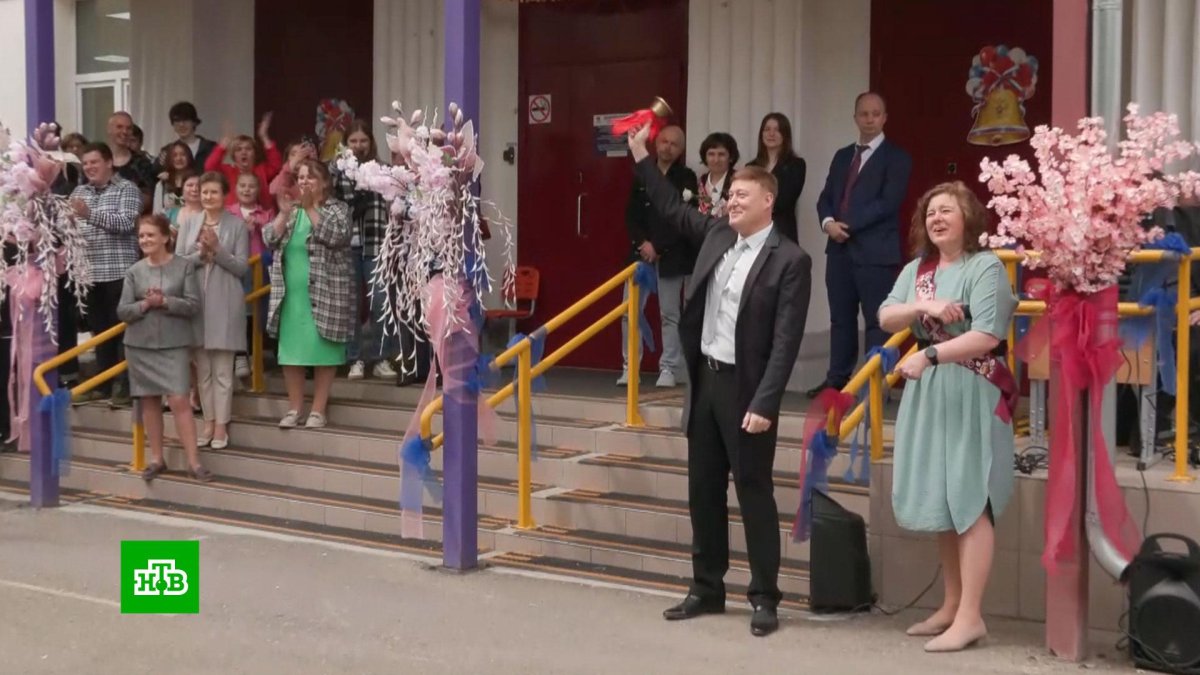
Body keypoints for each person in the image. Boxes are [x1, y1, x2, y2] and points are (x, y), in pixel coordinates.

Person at [627, 123, 812, 637]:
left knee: (753, 491)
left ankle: (765, 596)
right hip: (705, 382)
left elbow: (785, 342)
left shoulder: (791, 261)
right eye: (730, 196)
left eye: (742, 196)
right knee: (703, 491)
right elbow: (670, 207)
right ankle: (706, 587)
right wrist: (641, 155)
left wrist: (766, 402)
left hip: (747, 389)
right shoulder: (716, 236)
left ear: (768, 201)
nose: (732, 202)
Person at [879, 182, 1018, 653]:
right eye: (930, 212)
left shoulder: (985, 267)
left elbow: (986, 336)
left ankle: (971, 616)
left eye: (946, 211)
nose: (936, 219)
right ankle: (952, 605)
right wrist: (924, 305)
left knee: (970, 498)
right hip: (931, 390)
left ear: (968, 219)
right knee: (943, 498)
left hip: (972, 389)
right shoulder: (918, 271)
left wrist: (930, 354)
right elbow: (886, 316)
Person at [810, 92, 913, 396]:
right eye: (864, 114)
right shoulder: (843, 156)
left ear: (884, 118)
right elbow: (826, 197)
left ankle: (874, 384)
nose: (869, 119)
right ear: (855, 117)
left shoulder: (897, 158)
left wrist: (847, 225)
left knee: (877, 320)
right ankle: (837, 380)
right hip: (839, 250)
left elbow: (888, 203)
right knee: (840, 319)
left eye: (875, 114)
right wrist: (828, 223)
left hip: (876, 252)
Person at [117, 214, 210, 482]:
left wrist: (166, 302)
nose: (145, 240)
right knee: (149, 400)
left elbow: (193, 305)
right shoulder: (134, 271)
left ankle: (194, 462)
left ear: (165, 238)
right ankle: (157, 459)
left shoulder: (183, 267)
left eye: (150, 235)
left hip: (174, 343)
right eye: (141, 236)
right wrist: (145, 304)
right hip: (140, 345)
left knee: (179, 399)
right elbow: (123, 311)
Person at [263, 159, 352, 429]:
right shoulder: (292, 210)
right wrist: (282, 214)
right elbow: (269, 238)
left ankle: (318, 410)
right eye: (300, 177)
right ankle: (295, 408)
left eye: (310, 177)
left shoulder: (337, 209)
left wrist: (311, 207)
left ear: (324, 182)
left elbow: (335, 235)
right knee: (291, 354)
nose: (304, 182)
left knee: (324, 350)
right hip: (291, 296)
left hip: (327, 292)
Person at [618, 124, 698, 388]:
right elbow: (631, 214)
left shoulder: (686, 177)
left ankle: (669, 368)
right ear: (656, 143)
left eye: (674, 144)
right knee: (630, 313)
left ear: (681, 149)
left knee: (670, 314)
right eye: (664, 141)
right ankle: (630, 367)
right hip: (640, 254)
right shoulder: (643, 172)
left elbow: (682, 218)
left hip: (672, 254)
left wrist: (658, 246)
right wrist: (643, 243)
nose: (667, 147)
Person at [176, 172, 249, 449]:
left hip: (226, 303)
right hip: (196, 304)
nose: (208, 196)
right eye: (204, 191)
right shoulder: (189, 223)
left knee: (222, 372)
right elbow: (178, 263)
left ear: (224, 195)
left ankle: (221, 426)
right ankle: (207, 422)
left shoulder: (237, 225)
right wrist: (201, 255)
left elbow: (241, 267)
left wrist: (217, 250)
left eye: (214, 192)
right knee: (203, 371)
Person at [69, 142, 142, 406]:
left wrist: (89, 214)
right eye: (85, 163)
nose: (89, 167)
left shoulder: (127, 188)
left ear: (109, 162)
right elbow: (69, 228)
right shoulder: (79, 191)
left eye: (94, 162)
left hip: (120, 272)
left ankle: (124, 386)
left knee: (122, 331)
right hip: (89, 274)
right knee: (99, 331)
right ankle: (103, 383)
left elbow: (126, 223)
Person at [332, 120, 400, 380]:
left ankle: (381, 356)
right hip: (348, 245)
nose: (358, 146)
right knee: (352, 304)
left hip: (376, 243)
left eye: (363, 140)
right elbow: (338, 207)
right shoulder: (339, 172)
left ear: (371, 142)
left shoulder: (383, 170)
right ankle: (355, 358)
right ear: (346, 144)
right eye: (353, 141)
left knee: (380, 301)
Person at [747, 114, 806, 244]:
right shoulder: (751, 167)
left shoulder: (796, 165)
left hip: (782, 230)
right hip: (754, 231)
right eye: (767, 129)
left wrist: (755, 203)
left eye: (777, 130)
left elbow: (785, 200)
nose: (771, 134)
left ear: (785, 135)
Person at [205, 113, 282, 211]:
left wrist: (264, 137)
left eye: (248, 149)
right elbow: (210, 166)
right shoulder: (228, 171)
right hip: (233, 216)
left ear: (254, 153)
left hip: (261, 215)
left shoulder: (261, 170)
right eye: (239, 149)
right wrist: (225, 142)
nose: (243, 152)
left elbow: (276, 165)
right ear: (234, 155)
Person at [153, 101, 217, 174]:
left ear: (194, 122)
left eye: (186, 120)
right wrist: (160, 164)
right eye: (177, 120)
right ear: (173, 124)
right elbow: (156, 173)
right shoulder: (168, 150)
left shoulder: (210, 148)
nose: (181, 124)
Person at [106, 112, 156, 203]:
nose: (124, 132)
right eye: (119, 127)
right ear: (109, 129)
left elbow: (148, 197)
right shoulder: (96, 161)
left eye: (128, 128)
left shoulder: (142, 163)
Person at [697, 132, 739, 217]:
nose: (716, 160)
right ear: (705, 157)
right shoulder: (700, 182)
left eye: (721, 154)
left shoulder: (739, 181)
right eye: (711, 154)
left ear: (731, 157)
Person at [152, 141, 196, 215]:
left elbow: (197, 206)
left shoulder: (196, 182)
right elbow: (157, 212)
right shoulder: (162, 184)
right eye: (175, 155)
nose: (179, 158)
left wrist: (173, 202)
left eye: (183, 155)